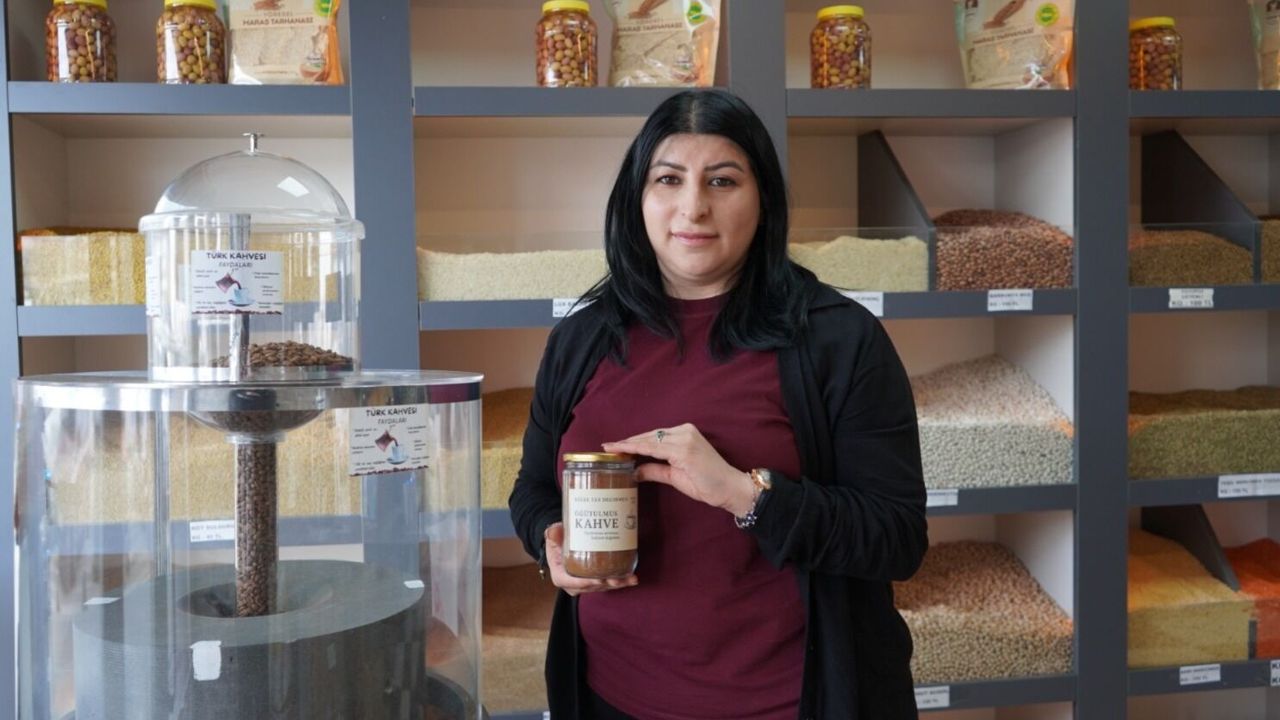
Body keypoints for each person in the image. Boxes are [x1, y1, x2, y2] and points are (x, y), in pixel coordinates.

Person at [508, 88, 926, 719]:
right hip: (609, 697)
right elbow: (534, 488)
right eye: (668, 179)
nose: (693, 206)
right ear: (637, 197)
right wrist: (551, 543)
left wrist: (745, 494)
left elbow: (896, 539)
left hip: (786, 704)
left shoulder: (839, 340)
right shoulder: (583, 339)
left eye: (723, 180)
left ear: (763, 200)